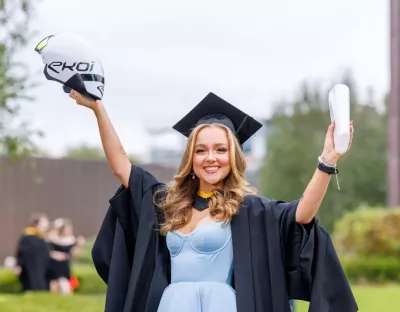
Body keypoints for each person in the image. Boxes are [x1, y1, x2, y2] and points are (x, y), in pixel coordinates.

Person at [69, 90, 357, 312]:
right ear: (190, 157)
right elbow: (121, 165)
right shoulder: (167, 203)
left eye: (220, 149)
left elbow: (302, 214)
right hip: (172, 305)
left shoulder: (249, 210)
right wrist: (98, 109)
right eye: (201, 150)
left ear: (233, 157)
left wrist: (327, 161)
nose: (211, 158)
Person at [46, 218, 85, 295]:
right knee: (54, 282)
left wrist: (79, 245)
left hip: (65, 265)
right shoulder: (53, 239)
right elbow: (47, 250)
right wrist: (54, 254)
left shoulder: (72, 240)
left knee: (65, 282)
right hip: (54, 265)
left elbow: (74, 254)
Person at [14, 213, 51, 292]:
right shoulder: (27, 237)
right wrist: (19, 265)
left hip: (42, 268)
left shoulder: (43, 238)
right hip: (30, 267)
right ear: (35, 224)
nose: (45, 226)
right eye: (43, 224)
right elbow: (21, 253)